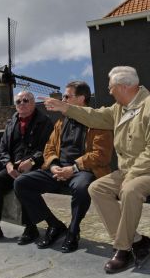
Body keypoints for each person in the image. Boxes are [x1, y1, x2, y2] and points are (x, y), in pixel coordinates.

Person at [41, 66, 150, 273]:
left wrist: (131, 175)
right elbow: (94, 116)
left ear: (124, 87)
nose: (109, 91)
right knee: (97, 188)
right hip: (130, 170)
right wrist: (66, 107)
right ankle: (138, 241)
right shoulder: (118, 109)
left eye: (111, 87)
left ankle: (122, 249)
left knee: (130, 190)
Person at [14, 81, 114, 253]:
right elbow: (49, 148)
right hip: (58, 170)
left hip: (83, 171)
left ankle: (73, 231)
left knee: (82, 187)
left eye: (67, 96)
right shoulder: (62, 122)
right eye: (63, 96)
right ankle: (54, 225)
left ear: (81, 99)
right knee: (21, 182)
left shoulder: (98, 121)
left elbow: (101, 155)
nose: (63, 99)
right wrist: (53, 166)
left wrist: (73, 168)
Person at [0, 91, 54, 246]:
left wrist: (32, 161)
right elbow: (3, 149)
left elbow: (47, 149)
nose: (22, 104)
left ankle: (31, 228)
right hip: (14, 167)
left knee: (23, 182)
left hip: (36, 166)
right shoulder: (11, 123)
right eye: (18, 101)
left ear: (33, 103)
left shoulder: (45, 122)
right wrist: (8, 164)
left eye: (25, 100)